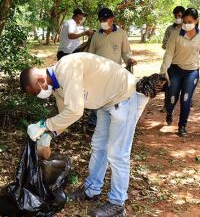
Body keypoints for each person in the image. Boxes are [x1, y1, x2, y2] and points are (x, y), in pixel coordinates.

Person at [20, 52, 166, 216]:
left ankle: (117, 204)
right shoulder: (56, 87)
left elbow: (75, 111)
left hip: (125, 96)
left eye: (35, 92)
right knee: (99, 147)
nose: (38, 95)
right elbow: (65, 115)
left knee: (117, 153)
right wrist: (49, 134)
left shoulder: (67, 68)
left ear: (40, 81)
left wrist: (43, 125)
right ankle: (92, 190)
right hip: (105, 103)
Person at [160, 8, 200, 137]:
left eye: (189, 21)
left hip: (192, 72)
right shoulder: (175, 34)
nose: (186, 24)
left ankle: (182, 126)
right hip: (175, 70)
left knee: (186, 99)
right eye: (184, 21)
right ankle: (169, 111)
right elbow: (169, 53)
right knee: (172, 97)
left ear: (196, 21)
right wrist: (163, 70)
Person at [86, 7, 137, 126]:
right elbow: (90, 55)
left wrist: (129, 59)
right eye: (100, 20)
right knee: (97, 96)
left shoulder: (121, 34)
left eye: (105, 19)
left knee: (112, 97)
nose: (102, 22)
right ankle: (94, 122)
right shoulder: (96, 36)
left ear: (112, 19)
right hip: (98, 73)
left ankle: (112, 120)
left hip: (115, 72)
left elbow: (125, 53)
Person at [160, 6, 185, 113]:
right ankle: (167, 105)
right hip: (170, 62)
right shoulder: (170, 29)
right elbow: (164, 43)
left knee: (181, 86)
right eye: (175, 16)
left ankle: (180, 105)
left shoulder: (187, 29)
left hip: (183, 62)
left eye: (179, 16)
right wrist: (170, 46)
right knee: (168, 85)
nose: (177, 18)